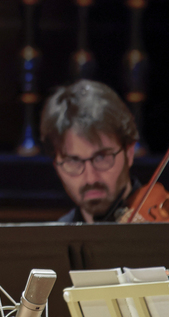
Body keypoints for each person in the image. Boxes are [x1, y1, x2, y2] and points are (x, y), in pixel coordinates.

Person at [40, 79, 141, 223]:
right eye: (73, 161)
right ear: (56, 165)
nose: (91, 178)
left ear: (129, 153)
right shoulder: (55, 240)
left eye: (101, 157)